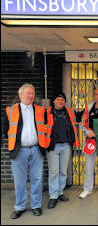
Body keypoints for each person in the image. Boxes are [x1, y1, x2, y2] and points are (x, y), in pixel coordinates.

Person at [3, 83, 46, 219]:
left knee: (37, 179)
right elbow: (6, 130)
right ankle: (20, 206)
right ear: (20, 95)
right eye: (27, 93)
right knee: (19, 180)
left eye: (32, 93)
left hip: (36, 149)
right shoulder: (10, 110)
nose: (31, 96)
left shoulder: (40, 110)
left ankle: (36, 205)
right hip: (19, 150)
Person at [45, 92, 79, 209]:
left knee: (63, 171)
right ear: (53, 101)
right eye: (58, 99)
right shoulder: (47, 113)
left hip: (66, 146)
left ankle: (60, 192)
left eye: (62, 99)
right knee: (54, 172)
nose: (60, 101)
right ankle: (53, 196)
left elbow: (80, 118)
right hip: (53, 146)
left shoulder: (69, 112)